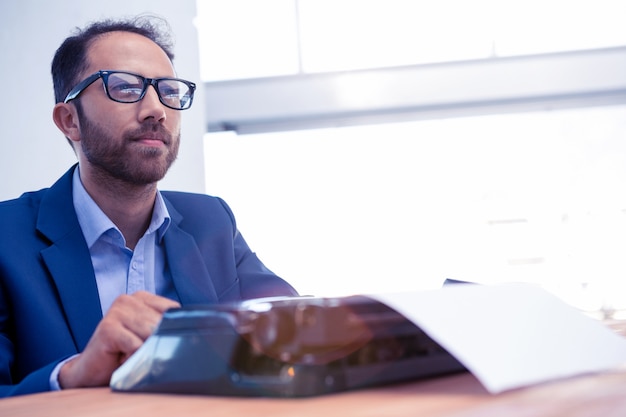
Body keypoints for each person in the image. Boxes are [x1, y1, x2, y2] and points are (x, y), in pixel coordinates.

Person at [0, 15, 298, 398]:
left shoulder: (212, 221)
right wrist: (72, 374)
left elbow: (284, 325)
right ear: (69, 120)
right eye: (125, 88)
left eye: (169, 91)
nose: (156, 110)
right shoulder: (7, 238)